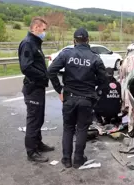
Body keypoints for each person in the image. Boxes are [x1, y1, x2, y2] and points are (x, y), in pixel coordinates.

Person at [47, 28, 106, 168]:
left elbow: (50, 70)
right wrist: (94, 90)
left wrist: (59, 89)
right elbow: (104, 80)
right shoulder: (95, 57)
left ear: (74, 41)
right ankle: (78, 159)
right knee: (82, 129)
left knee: (68, 128)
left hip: (69, 97)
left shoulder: (67, 54)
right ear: (88, 40)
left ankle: (66, 159)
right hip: (86, 99)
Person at [18, 17, 55, 163]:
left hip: (38, 87)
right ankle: (31, 151)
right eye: (43, 29)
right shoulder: (28, 43)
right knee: (33, 120)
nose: (44, 33)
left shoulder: (35, 43)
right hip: (33, 87)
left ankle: (38, 144)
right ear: (35, 28)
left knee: (39, 118)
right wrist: (44, 75)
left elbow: (34, 61)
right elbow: (26, 67)